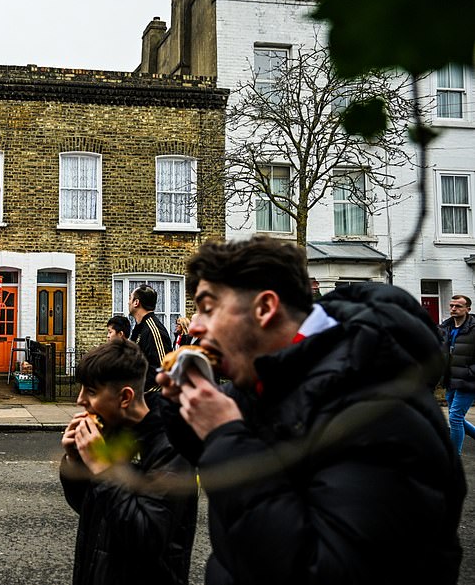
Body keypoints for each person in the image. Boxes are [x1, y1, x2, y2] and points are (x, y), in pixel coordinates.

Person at [155, 236, 464, 585]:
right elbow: (222, 454)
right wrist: (182, 400)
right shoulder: (276, 378)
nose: (194, 326)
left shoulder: (378, 408)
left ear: (264, 308)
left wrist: (223, 432)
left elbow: (323, 569)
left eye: (208, 308)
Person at [60, 339, 197, 585]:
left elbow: (147, 536)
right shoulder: (113, 432)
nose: (80, 400)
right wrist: (75, 461)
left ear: (125, 397)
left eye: (91, 391)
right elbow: (90, 507)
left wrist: (102, 468)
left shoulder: (171, 446)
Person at [440, 294, 475, 454]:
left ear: (468, 309)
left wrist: (470, 372)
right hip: (450, 379)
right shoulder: (445, 328)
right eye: (452, 305)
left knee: (454, 418)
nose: (454, 309)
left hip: (468, 380)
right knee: (457, 417)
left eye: (458, 306)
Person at [128, 284, 173, 395]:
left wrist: (142, 395)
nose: (128, 302)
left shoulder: (154, 329)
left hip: (151, 402)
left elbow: (162, 369)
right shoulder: (140, 328)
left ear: (136, 302)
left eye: (130, 298)